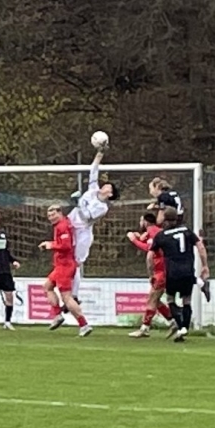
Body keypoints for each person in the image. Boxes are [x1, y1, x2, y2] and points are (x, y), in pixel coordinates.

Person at [150, 212, 209, 343]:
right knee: (186, 300)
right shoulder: (186, 231)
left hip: (172, 273)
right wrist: (205, 265)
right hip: (188, 271)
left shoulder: (161, 236)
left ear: (165, 221)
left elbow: (150, 256)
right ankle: (184, 328)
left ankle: (181, 327)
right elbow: (200, 247)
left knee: (170, 299)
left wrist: (151, 273)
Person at [40, 204, 93, 336]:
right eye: (49, 215)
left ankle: (84, 325)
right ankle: (57, 315)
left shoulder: (62, 226)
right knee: (47, 287)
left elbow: (66, 246)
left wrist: (50, 245)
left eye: (53, 214)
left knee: (67, 298)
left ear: (60, 213)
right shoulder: (64, 223)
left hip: (65, 265)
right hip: (61, 265)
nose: (51, 217)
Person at [68, 144, 115, 291]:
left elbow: (87, 217)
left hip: (82, 233)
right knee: (65, 259)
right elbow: (93, 170)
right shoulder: (93, 190)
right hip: (70, 225)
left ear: (110, 194)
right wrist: (100, 153)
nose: (105, 186)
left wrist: (78, 203)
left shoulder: (103, 207)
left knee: (76, 263)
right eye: (105, 184)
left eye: (108, 187)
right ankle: (65, 290)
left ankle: (74, 294)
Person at [125, 207, 175, 337]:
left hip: (161, 270)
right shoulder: (155, 231)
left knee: (152, 299)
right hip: (163, 269)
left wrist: (134, 240)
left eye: (141, 221)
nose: (140, 223)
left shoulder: (153, 232)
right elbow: (147, 241)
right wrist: (139, 237)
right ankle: (173, 322)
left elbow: (149, 248)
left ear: (145, 222)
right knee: (155, 300)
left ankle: (145, 328)